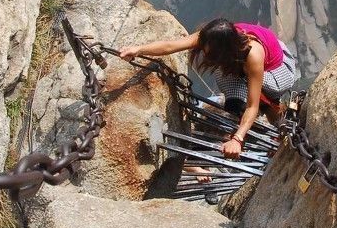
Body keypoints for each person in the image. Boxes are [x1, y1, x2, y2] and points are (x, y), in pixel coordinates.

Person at [119, 18, 299, 158]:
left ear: (223, 49)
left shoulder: (253, 54)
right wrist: (139, 49)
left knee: (257, 94)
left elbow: (252, 105)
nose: (205, 53)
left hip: (278, 69)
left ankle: (271, 115)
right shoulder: (213, 36)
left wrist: (237, 139)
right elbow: (171, 45)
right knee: (233, 94)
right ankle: (250, 118)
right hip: (244, 64)